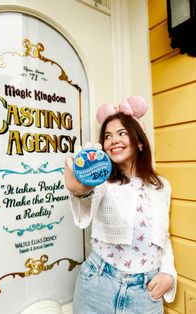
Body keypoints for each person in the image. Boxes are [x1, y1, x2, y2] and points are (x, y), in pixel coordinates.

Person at [64, 96, 177, 314]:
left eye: (122, 133)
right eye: (107, 136)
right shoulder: (103, 182)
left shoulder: (162, 186)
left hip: (146, 293)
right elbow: (86, 197)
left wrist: (169, 273)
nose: (113, 140)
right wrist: (79, 190)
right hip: (97, 285)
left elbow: (164, 238)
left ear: (140, 141)